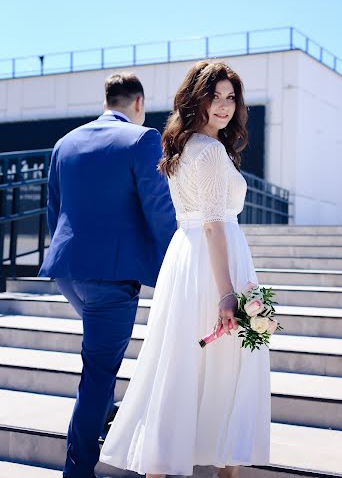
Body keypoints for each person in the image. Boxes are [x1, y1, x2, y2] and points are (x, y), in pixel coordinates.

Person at [100, 61, 271, 478]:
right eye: (215, 96)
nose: (224, 106)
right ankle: (223, 470)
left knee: (179, 366)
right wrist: (228, 292)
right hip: (213, 263)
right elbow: (214, 224)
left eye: (231, 98)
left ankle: (161, 465)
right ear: (197, 98)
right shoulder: (210, 152)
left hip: (187, 260)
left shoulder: (186, 146)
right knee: (226, 369)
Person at [38, 72, 176, 478]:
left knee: (101, 359)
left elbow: (53, 209)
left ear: (107, 100)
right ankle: (77, 470)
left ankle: (104, 412)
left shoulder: (66, 143)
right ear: (139, 103)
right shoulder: (142, 138)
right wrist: (180, 264)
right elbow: (159, 211)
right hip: (111, 278)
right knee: (98, 371)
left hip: (68, 270)